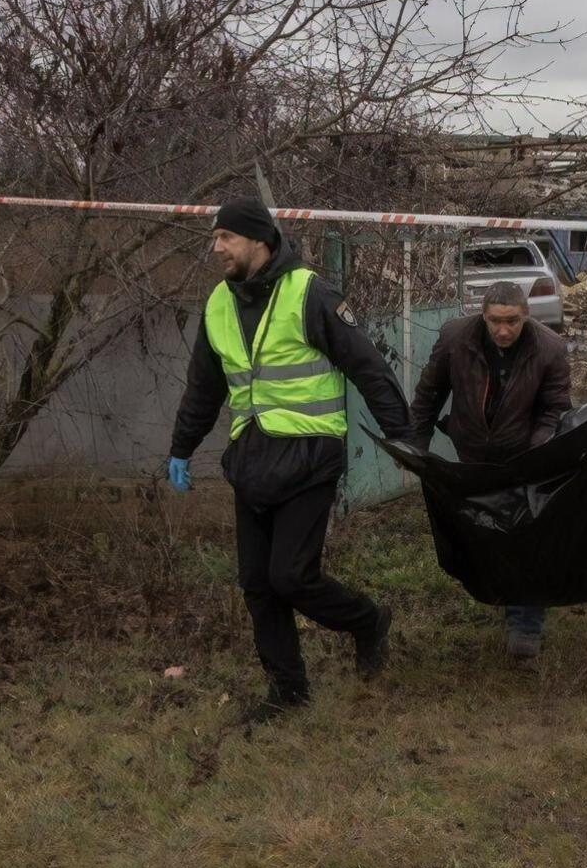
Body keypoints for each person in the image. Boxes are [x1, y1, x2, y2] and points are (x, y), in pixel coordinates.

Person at [167, 197, 412, 724]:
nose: (216, 248)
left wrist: (402, 437)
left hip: (309, 457)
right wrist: (182, 447)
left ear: (258, 239)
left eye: (225, 237)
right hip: (252, 461)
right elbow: (203, 388)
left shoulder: (310, 293)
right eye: (214, 238)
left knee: (292, 577)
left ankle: (368, 622)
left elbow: (368, 366)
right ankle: (289, 690)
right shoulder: (217, 303)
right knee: (257, 584)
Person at [410, 281, 572, 659]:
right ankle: (503, 598)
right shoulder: (456, 339)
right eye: (495, 321)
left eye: (512, 321)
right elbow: (429, 393)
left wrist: (538, 451)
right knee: (487, 532)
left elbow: (555, 408)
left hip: (524, 459)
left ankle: (525, 625)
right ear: (483, 316)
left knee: (527, 537)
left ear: (525, 316)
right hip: (474, 455)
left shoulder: (548, 348)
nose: (503, 330)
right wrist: (414, 446)